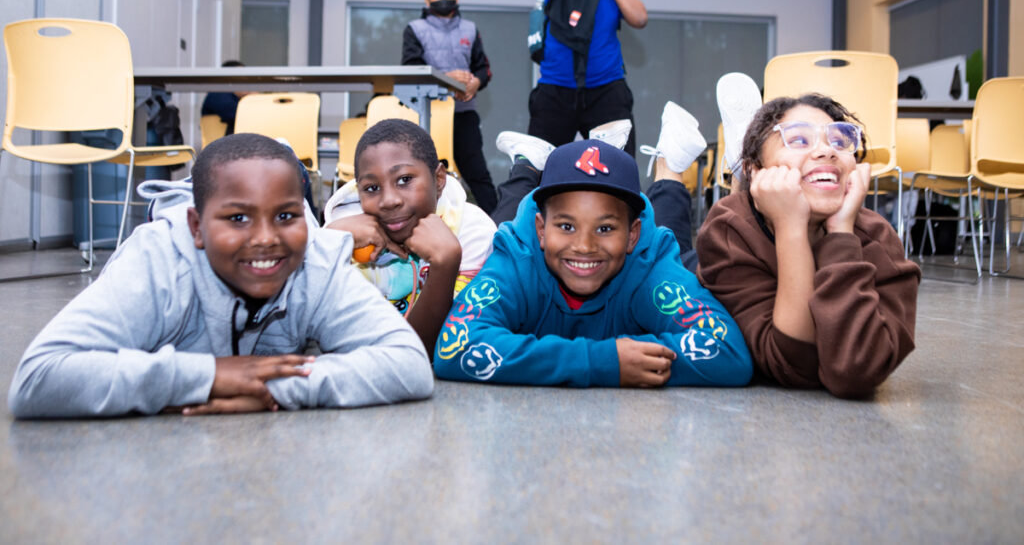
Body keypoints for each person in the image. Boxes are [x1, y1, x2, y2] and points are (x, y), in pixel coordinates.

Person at [8, 134, 433, 418]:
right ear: (196, 226)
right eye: (238, 218)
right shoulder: (157, 262)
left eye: (286, 216)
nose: (266, 239)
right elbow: (40, 376)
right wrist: (205, 376)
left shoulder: (315, 261)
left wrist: (268, 388)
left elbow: (408, 364)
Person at [431, 137, 752, 387]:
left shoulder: (649, 266)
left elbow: (727, 351)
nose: (584, 246)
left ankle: (671, 170)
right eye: (566, 226)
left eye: (605, 228)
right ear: (541, 230)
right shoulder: (517, 260)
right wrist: (601, 361)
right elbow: (453, 347)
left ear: (632, 235)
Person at [696, 94, 920, 399]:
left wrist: (841, 233)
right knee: (666, 245)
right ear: (756, 169)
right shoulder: (728, 227)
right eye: (799, 139)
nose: (827, 150)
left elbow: (856, 370)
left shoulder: (877, 238)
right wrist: (790, 224)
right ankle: (672, 171)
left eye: (840, 142)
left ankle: (749, 155)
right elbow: (793, 365)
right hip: (694, 271)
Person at [322, 119, 496, 357]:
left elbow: (430, 349)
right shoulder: (344, 233)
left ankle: (525, 170)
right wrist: (329, 240)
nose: (389, 200)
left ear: (438, 180)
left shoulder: (473, 231)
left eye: (404, 180)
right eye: (372, 188)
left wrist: (445, 264)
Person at [529, 0, 648, 157]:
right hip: (556, 89)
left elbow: (639, 18)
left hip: (607, 90)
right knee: (538, 167)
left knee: (620, 168)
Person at [402, 0, 497, 214]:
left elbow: (484, 69)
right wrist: (447, 79)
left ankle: (498, 228)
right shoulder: (415, 29)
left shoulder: (470, 29)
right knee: (422, 173)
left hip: (464, 113)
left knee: (478, 175)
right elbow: (410, 69)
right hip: (427, 116)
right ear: (426, 0)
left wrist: (476, 82)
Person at [200, 60, 249, 134]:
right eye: (239, 76)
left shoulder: (236, 97)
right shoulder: (217, 93)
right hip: (223, 143)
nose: (243, 80)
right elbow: (240, 114)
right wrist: (252, 97)